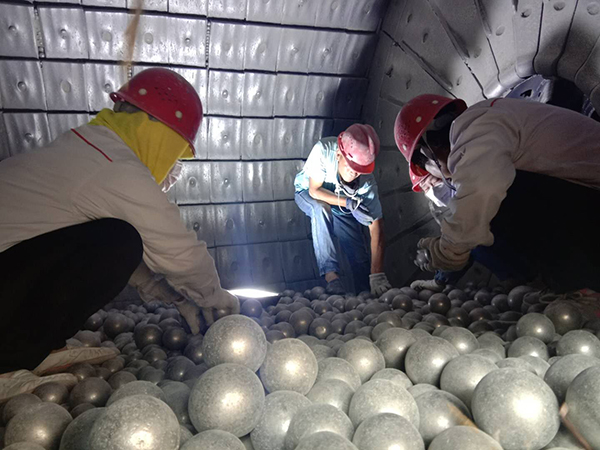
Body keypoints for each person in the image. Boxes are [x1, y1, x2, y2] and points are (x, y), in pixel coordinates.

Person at [0, 68, 239, 373]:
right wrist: (215, 299)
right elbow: (180, 254)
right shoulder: (114, 166)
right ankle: (12, 358)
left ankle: (31, 348)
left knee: (116, 238)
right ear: (159, 134)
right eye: (175, 152)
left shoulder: (87, 149)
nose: (173, 165)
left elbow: (82, 246)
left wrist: (173, 295)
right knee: (121, 240)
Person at [394, 94, 600, 293]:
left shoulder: (474, 128)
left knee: (489, 205)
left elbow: (480, 193)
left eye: (425, 169)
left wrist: (447, 250)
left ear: (428, 150)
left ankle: (581, 288)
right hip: (587, 203)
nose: (438, 180)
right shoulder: (488, 120)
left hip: (590, 206)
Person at [294, 124, 391, 296]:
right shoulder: (323, 151)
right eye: (350, 167)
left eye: (359, 170)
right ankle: (331, 277)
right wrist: (348, 202)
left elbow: (376, 227)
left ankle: (366, 293)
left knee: (357, 252)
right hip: (308, 192)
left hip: (341, 204)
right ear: (339, 154)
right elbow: (314, 191)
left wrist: (377, 274)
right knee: (321, 209)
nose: (354, 173)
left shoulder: (366, 183)